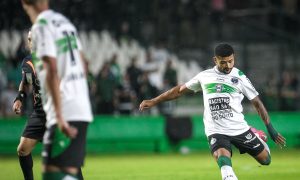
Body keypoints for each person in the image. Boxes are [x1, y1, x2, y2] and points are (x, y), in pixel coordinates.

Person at [139, 43, 286, 180]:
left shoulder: (239, 77)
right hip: (216, 130)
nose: (228, 65)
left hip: (239, 129)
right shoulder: (204, 76)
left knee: (266, 160)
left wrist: (270, 129)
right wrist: (154, 101)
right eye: (223, 62)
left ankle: (255, 134)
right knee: (224, 163)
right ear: (215, 60)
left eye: (231, 61)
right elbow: (178, 91)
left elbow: (257, 104)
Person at [21, 0, 93, 179]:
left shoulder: (41, 26)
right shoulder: (65, 23)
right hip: (80, 106)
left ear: (25, 3)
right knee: (67, 170)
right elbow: (84, 64)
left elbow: (52, 70)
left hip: (64, 108)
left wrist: (60, 116)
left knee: (53, 173)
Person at [12, 30, 46, 180]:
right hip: (39, 112)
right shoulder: (29, 61)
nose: (30, 42)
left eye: (34, 39)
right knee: (23, 149)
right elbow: (26, 82)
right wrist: (19, 97)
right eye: (29, 39)